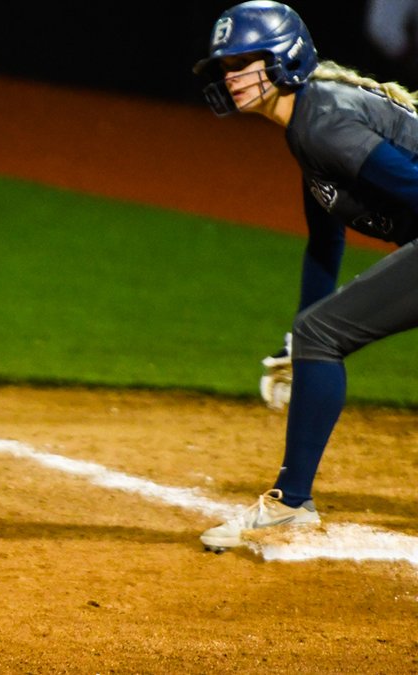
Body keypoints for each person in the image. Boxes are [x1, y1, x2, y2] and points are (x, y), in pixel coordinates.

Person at [193, 1, 418, 551]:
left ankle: (291, 504)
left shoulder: (322, 124)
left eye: (244, 61)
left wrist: (312, 337)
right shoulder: (307, 126)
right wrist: (300, 340)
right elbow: (325, 241)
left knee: (324, 333)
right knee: (319, 333)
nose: (232, 76)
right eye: (226, 66)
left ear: (284, 59)